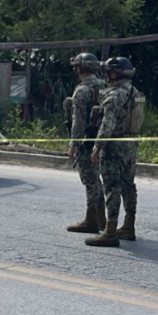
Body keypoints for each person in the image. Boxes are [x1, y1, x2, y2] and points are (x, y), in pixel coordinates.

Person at [86, 57, 140, 247]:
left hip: (113, 147)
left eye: (109, 72)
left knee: (111, 187)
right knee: (128, 185)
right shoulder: (135, 92)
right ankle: (128, 226)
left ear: (116, 73)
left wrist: (96, 148)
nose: (107, 75)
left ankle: (110, 230)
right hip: (131, 144)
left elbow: (107, 125)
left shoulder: (114, 95)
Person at [64, 52, 108, 235]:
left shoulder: (82, 91)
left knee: (90, 180)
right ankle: (101, 218)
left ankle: (91, 220)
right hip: (102, 140)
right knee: (96, 179)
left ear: (80, 68)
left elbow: (78, 121)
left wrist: (73, 145)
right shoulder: (105, 86)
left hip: (87, 142)